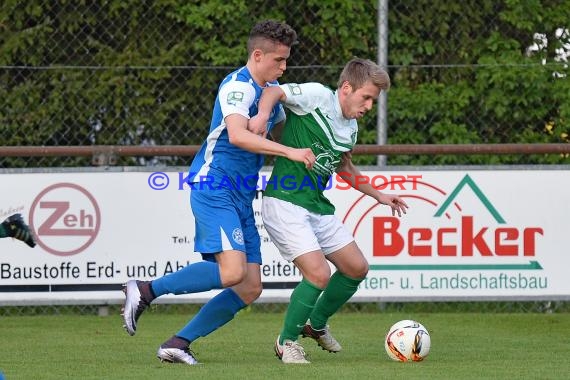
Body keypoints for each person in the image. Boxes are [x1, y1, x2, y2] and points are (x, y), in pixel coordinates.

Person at [121, 20, 316, 365]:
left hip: (241, 194)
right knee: (231, 273)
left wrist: (311, 146)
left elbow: (282, 136)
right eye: (279, 60)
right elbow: (239, 136)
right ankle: (146, 289)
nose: (284, 67)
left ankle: (178, 343)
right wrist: (288, 153)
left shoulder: (271, 91)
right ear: (258, 55)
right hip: (215, 186)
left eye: (286, 60)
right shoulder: (237, 88)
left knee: (250, 286)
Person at [248, 58, 409, 364]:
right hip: (284, 201)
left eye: (374, 100)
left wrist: (379, 195)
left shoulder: (351, 128)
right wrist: (262, 116)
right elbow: (272, 92)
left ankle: (315, 324)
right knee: (319, 273)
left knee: (356, 267)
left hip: (315, 205)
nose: (369, 105)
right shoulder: (317, 96)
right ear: (346, 88)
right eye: (366, 97)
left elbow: (344, 167)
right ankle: (287, 342)